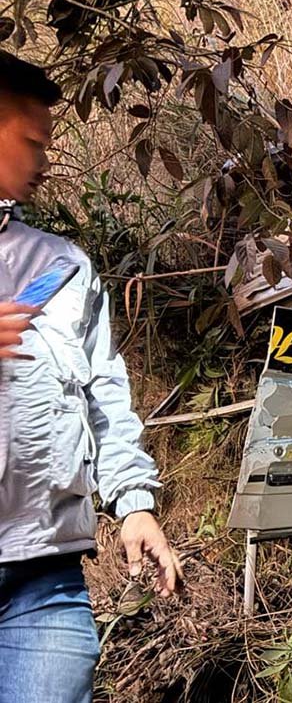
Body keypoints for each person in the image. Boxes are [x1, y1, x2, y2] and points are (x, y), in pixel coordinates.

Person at [0, 52, 182, 703]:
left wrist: (133, 504)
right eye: (32, 142)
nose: (46, 161)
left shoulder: (63, 266)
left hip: (44, 577)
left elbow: (103, 393)